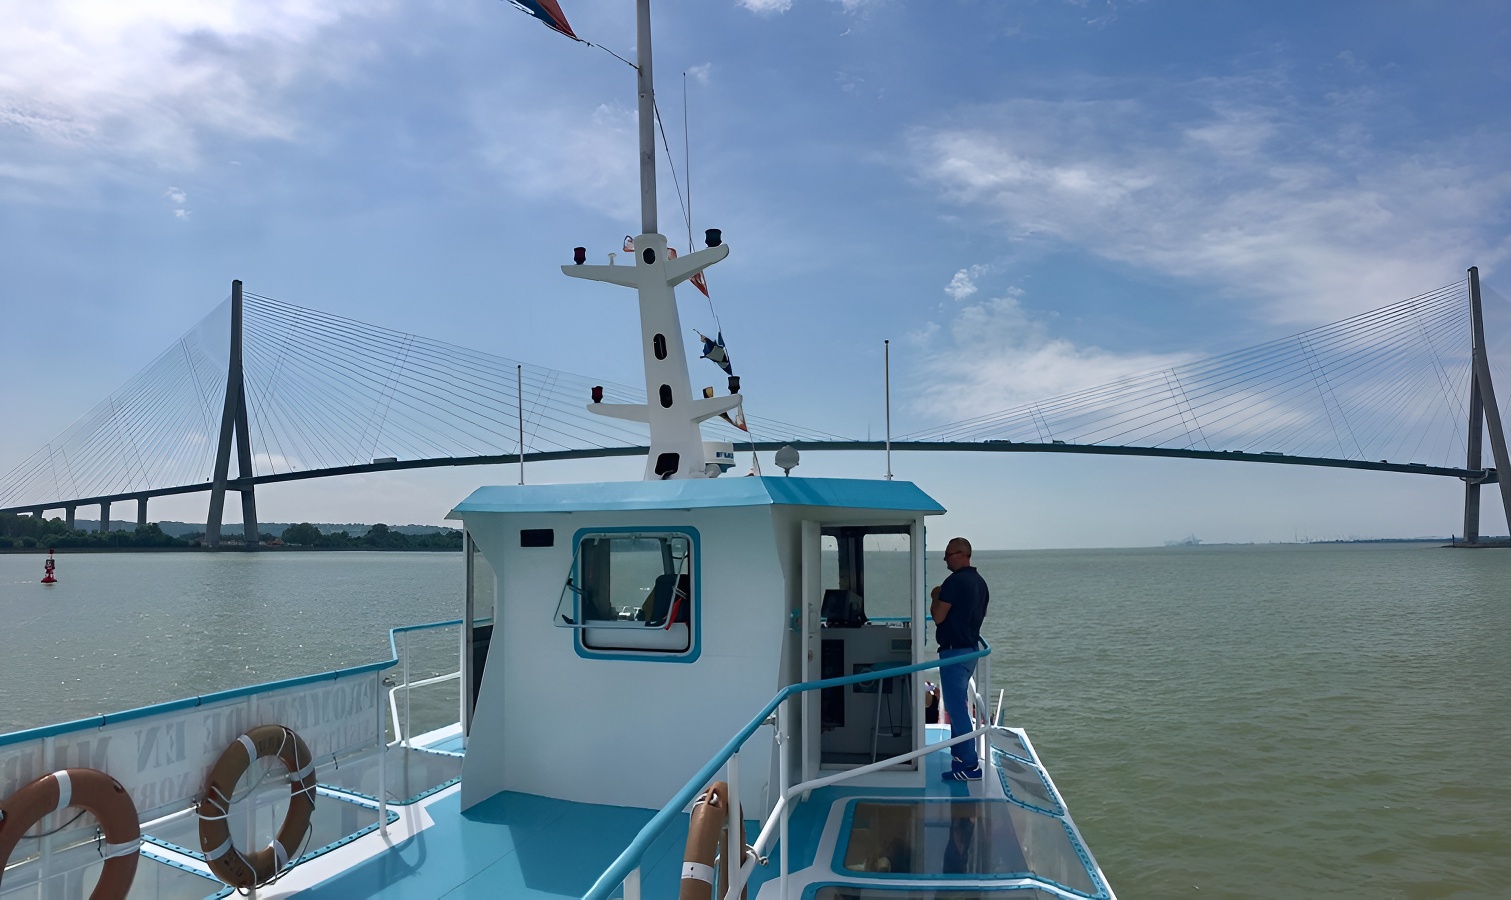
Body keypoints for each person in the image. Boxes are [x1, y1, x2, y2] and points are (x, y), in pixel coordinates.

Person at [930, 537, 989, 781]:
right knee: (958, 706)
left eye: (948, 555)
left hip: (954, 653)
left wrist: (935, 595)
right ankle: (959, 754)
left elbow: (938, 616)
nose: (945, 559)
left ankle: (970, 765)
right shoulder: (980, 583)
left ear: (963, 554)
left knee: (956, 708)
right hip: (969, 651)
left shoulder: (953, 582)